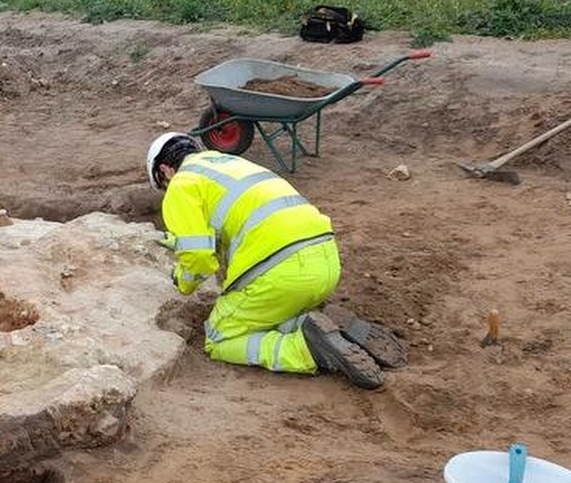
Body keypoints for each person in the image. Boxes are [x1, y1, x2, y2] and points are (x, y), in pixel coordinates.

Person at [145, 132, 407, 389]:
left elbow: (198, 257)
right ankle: (328, 325)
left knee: (219, 337)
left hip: (281, 275)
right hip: (325, 263)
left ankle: (305, 349)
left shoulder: (181, 184)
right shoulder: (231, 165)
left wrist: (183, 282)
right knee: (267, 313)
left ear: (165, 170)